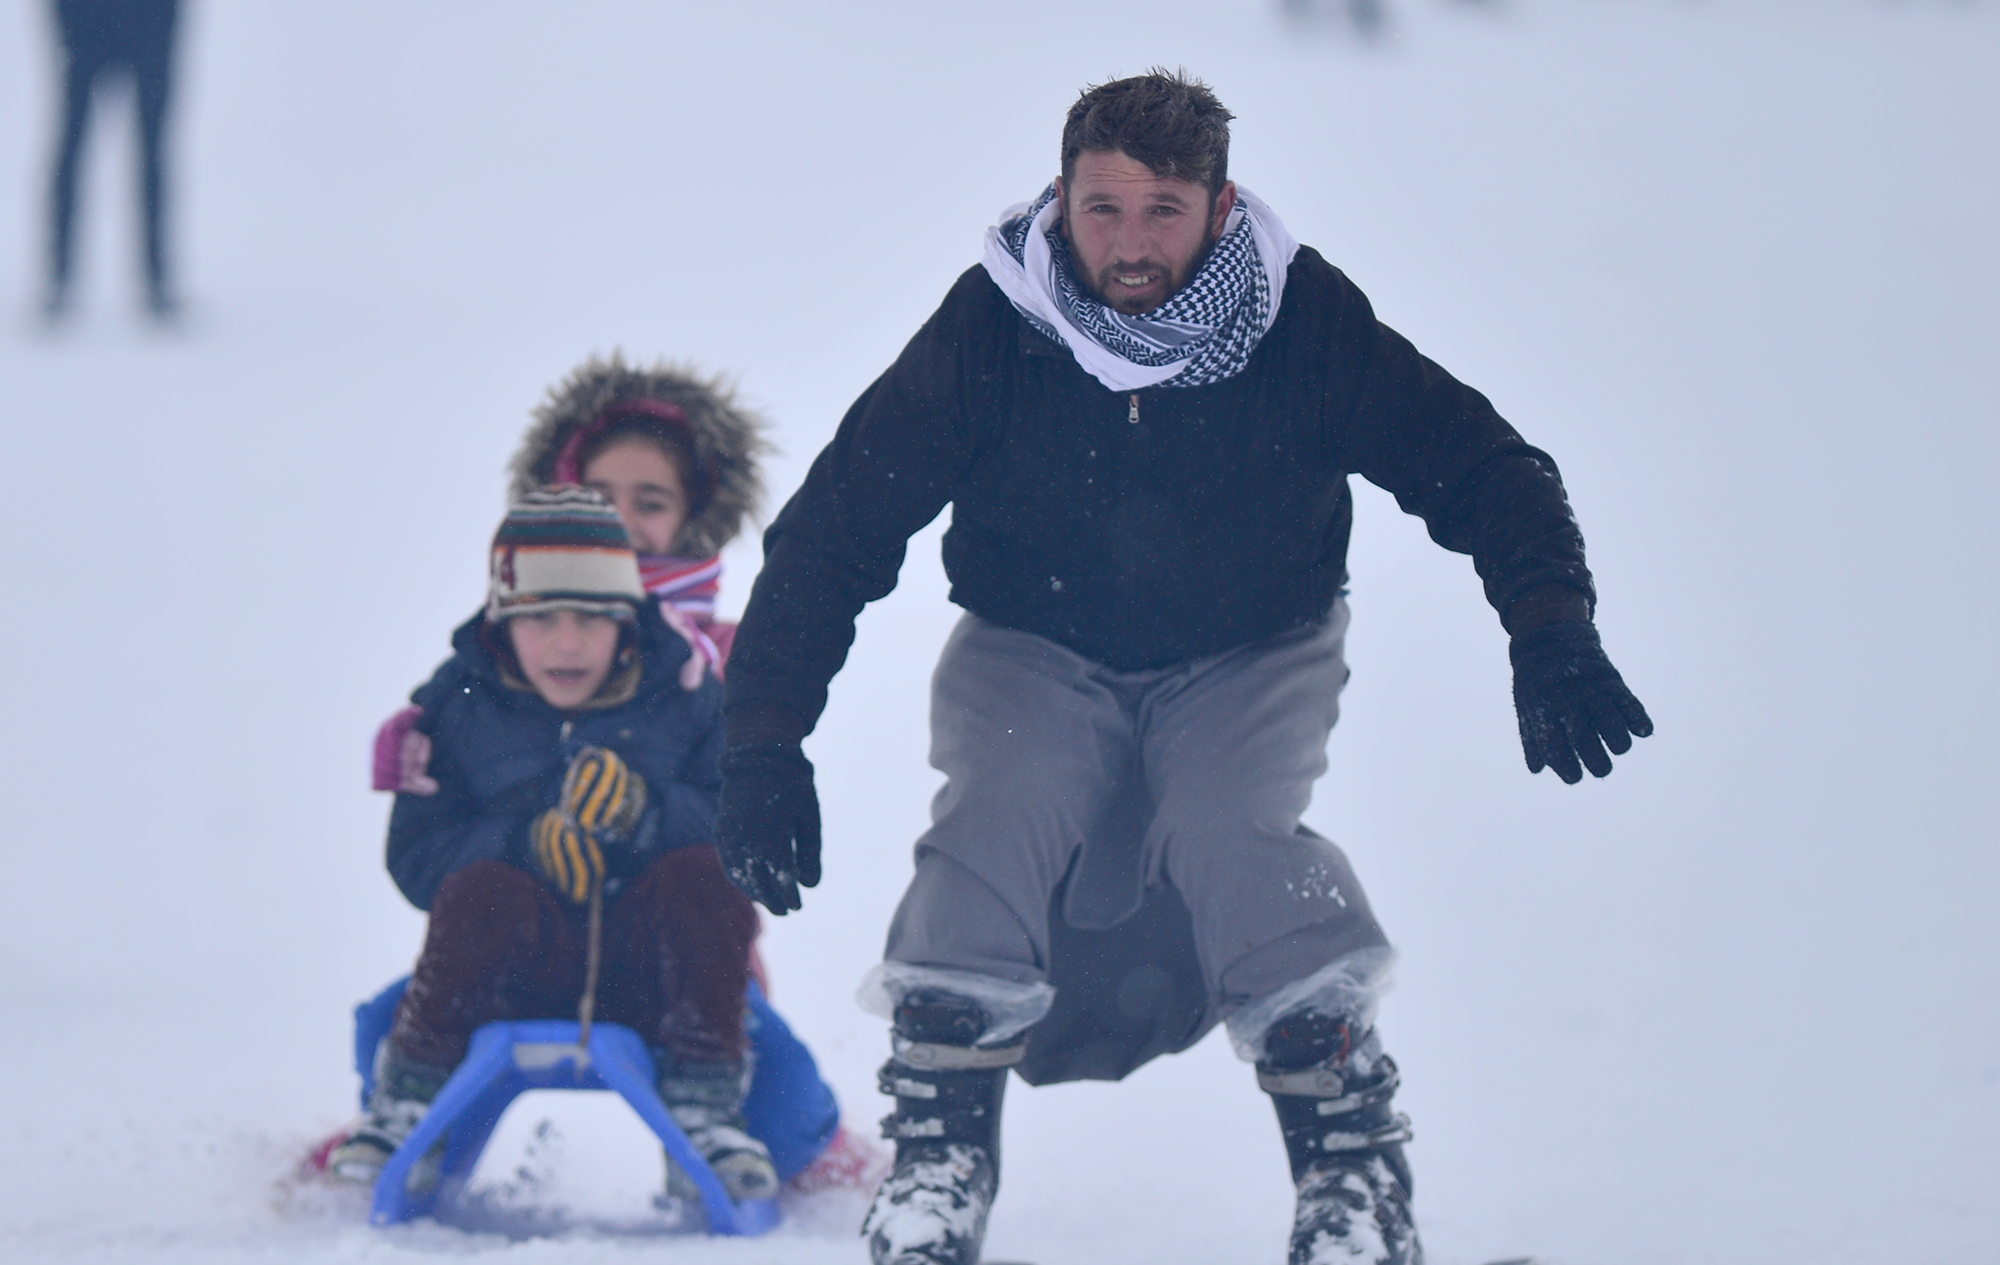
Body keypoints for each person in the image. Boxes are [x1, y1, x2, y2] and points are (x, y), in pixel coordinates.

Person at [712, 70, 1652, 1265]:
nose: (1131, 244)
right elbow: (839, 523)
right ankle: (940, 1162)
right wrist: (763, 736)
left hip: (1251, 647)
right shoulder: (999, 323)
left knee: (1228, 831)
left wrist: (1547, 621)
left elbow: (1485, 466)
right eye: (1103, 210)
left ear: (1217, 205)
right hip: (1031, 640)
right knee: (996, 810)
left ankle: (1353, 1179)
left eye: (1164, 211)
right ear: (1059, 199)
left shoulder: (1296, 320)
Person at [351, 355, 884, 1199]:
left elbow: (734, 809)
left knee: (772, 1064)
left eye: (652, 502)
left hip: (680, 953)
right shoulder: (495, 655)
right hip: (520, 945)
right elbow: (434, 827)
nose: (625, 524)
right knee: (390, 1016)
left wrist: (647, 812)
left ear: (695, 512)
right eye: (601, 499)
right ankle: (389, 1126)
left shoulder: (705, 662)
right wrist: (456, 783)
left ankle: (796, 1152)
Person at [326, 485, 779, 1203]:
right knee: (478, 895)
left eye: (590, 618)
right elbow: (417, 860)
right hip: (511, 973)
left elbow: (740, 827)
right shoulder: (457, 708)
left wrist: (646, 816)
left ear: (626, 622)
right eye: (540, 618)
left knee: (708, 879)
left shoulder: (686, 694)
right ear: (503, 622)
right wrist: (519, 845)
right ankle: (407, 1104)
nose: (566, 641)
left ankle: (708, 1106)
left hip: (656, 979)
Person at [44, 0, 183, 320]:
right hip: (91, 24)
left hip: (145, 23)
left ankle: (156, 278)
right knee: (74, 146)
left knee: (151, 153)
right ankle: (59, 277)